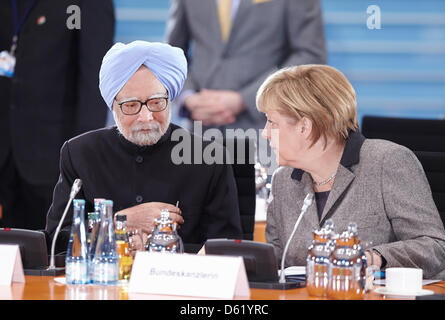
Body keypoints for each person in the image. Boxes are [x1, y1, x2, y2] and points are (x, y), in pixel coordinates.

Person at [45, 41, 243, 254]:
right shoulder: (79, 153)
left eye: (156, 102)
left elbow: (227, 247)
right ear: (113, 106)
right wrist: (120, 222)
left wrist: (160, 246)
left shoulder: (208, 157)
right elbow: (56, 241)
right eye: (131, 105)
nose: (146, 116)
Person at [256, 64, 445, 280]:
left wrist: (371, 258)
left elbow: (435, 247)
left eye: (272, 122)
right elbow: (277, 262)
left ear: (305, 127)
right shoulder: (282, 181)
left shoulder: (387, 162)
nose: (265, 133)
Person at [0, 0, 115, 229]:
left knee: (49, 253)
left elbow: (94, 82)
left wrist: (82, 159)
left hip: (54, 156)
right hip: (5, 151)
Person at [166, 0, 326, 132]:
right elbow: (172, 53)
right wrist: (188, 97)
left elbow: (310, 55)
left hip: (265, 130)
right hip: (198, 128)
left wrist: (247, 99)